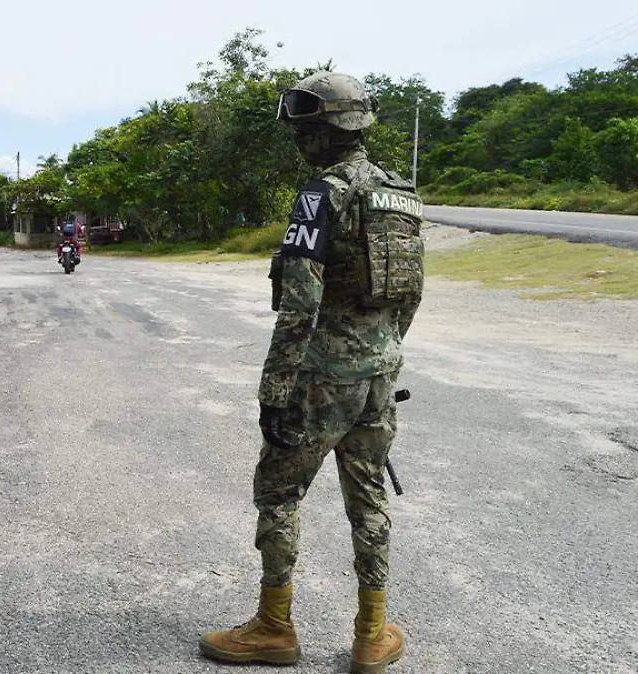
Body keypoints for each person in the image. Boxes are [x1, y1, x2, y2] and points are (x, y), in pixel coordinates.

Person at [199, 72, 425, 673]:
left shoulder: (322, 194)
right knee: (369, 497)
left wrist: (275, 390)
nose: (302, 142)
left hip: (321, 374)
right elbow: (410, 293)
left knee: (278, 491)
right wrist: (380, 352)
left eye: (307, 130)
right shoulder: (398, 192)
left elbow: (300, 302)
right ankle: (372, 635)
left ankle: (275, 626)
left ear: (325, 132)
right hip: (379, 372)